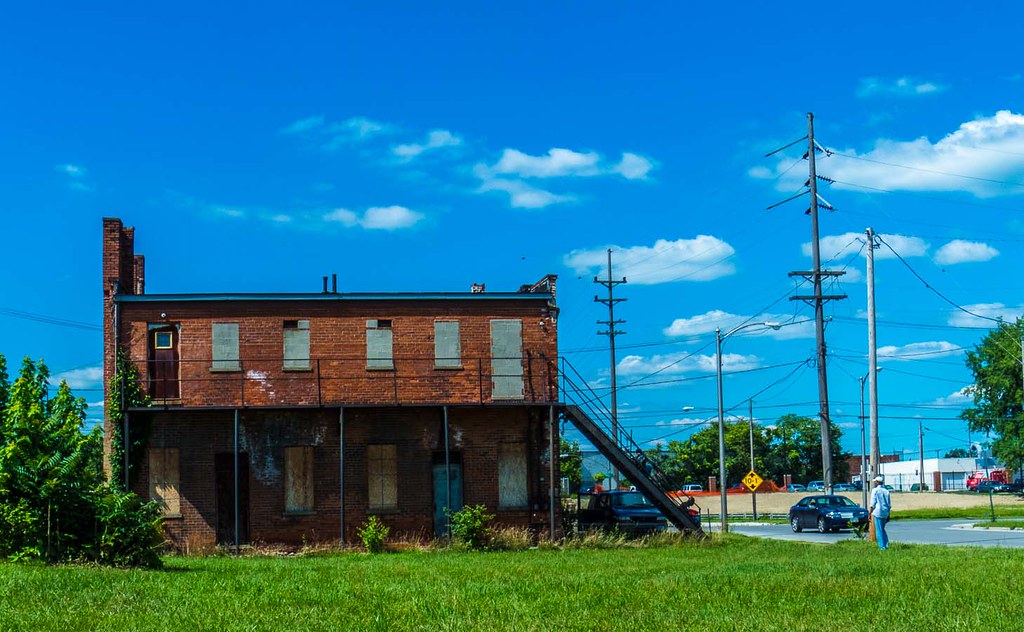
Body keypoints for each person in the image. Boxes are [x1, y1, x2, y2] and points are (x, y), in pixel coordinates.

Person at [869, 475, 892, 550]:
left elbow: (873, 503)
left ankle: (882, 547)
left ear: (877, 482)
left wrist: (869, 513)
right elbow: (888, 504)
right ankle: (886, 544)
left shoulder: (875, 490)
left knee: (878, 530)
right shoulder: (886, 491)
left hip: (877, 511)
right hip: (885, 512)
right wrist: (888, 514)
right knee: (882, 528)